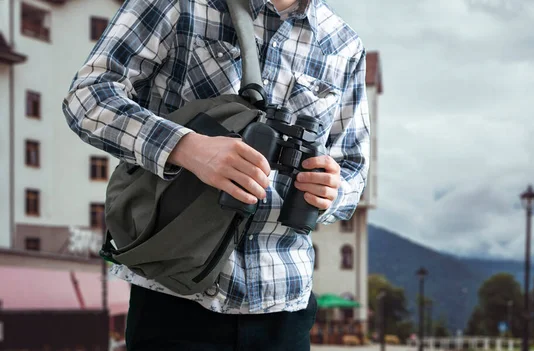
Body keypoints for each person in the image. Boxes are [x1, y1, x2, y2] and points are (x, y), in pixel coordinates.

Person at [62, 0, 370, 349]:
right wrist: (186, 148)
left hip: (284, 309)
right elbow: (87, 97)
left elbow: (353, 169)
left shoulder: (344, 45)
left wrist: (332, 191)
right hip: (173, 295)